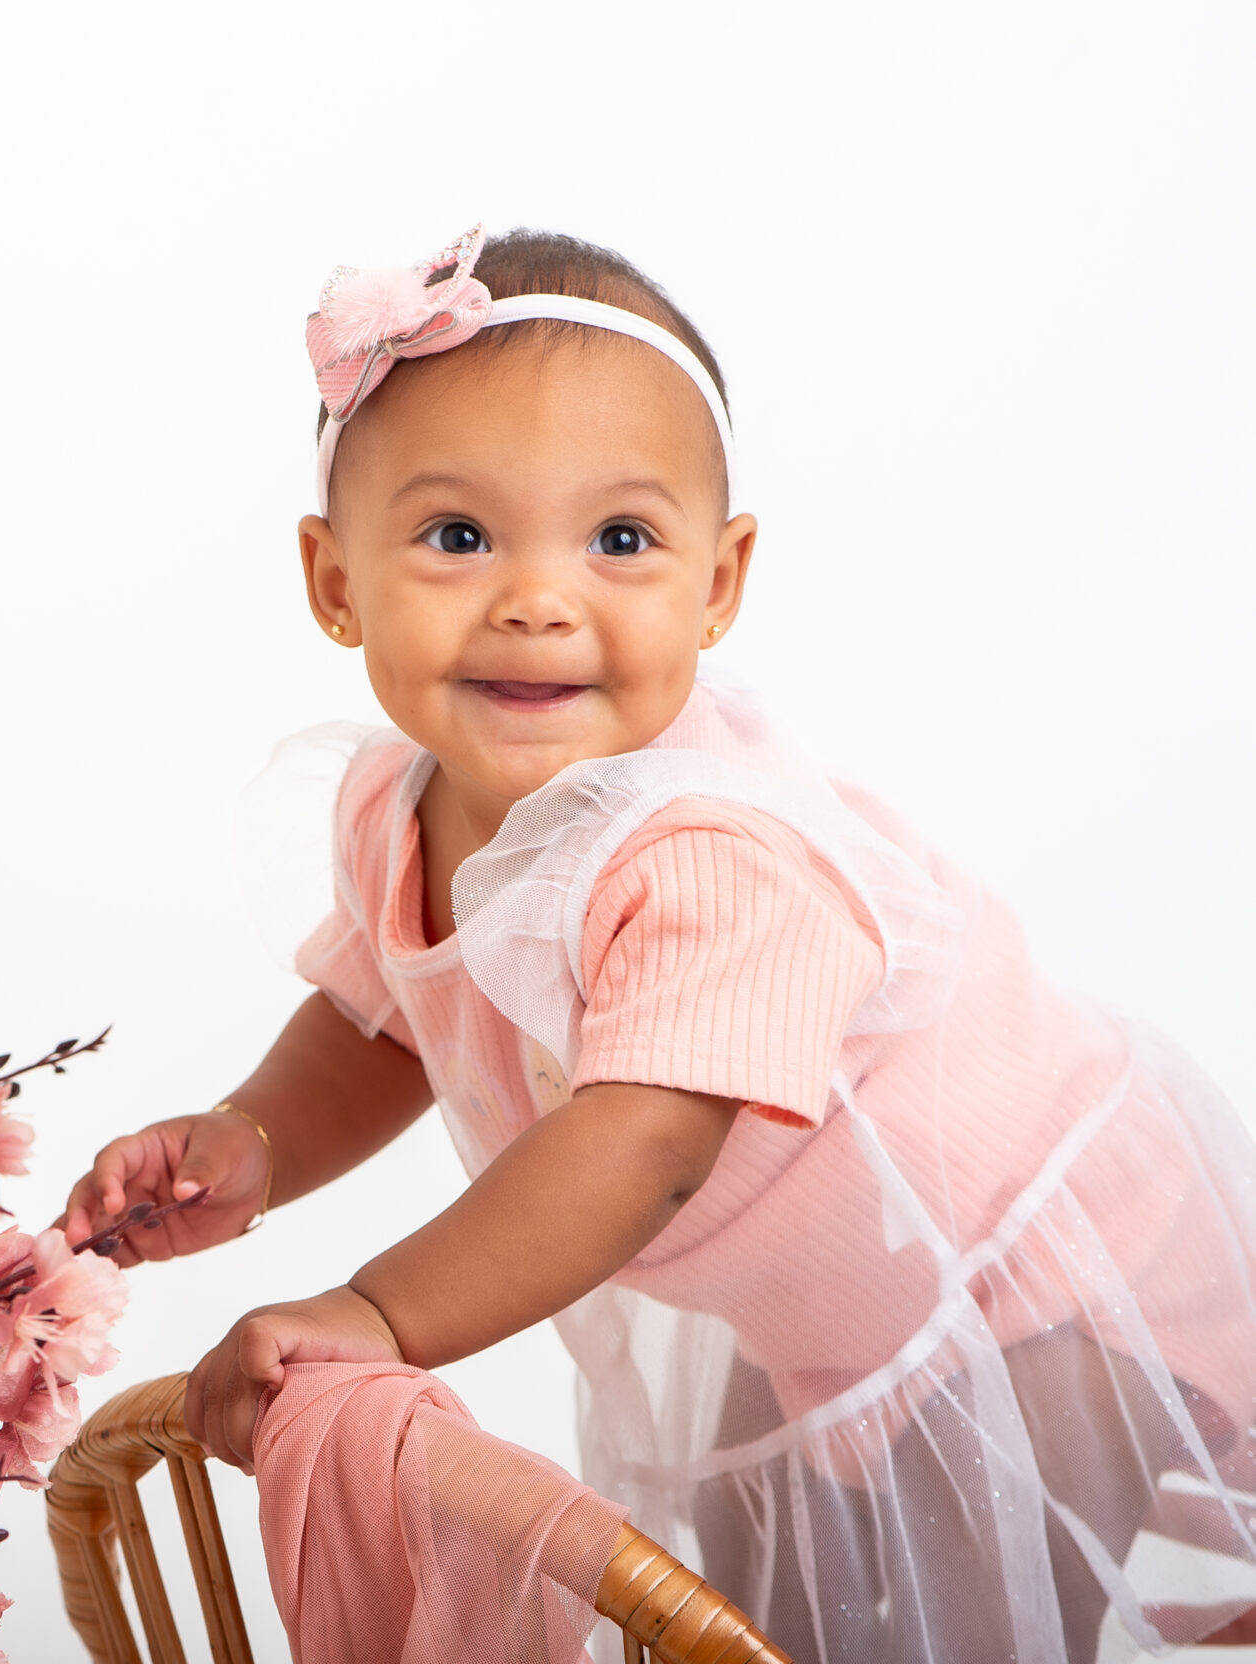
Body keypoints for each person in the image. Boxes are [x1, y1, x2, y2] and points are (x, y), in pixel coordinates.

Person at [62, 224, 1256, 1662]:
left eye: (620, 540)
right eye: (457, 537)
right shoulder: (400, 806)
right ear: (333, 581)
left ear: (718, 583)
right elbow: (395, 1014)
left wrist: (376, 1313)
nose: (539, 597)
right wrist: (253, 1137)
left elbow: (639, 1144)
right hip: (817, 1309)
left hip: (1026, 1300)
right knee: (765, 1606)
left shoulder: (710, 857)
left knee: (951, 1629)